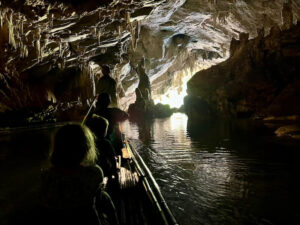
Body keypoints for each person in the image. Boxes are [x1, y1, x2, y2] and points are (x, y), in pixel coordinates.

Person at [39, 123, 118, 225]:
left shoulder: (46, 176)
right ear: (86, 149)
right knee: (103, 196)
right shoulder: (93, 173)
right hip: (89, 220)